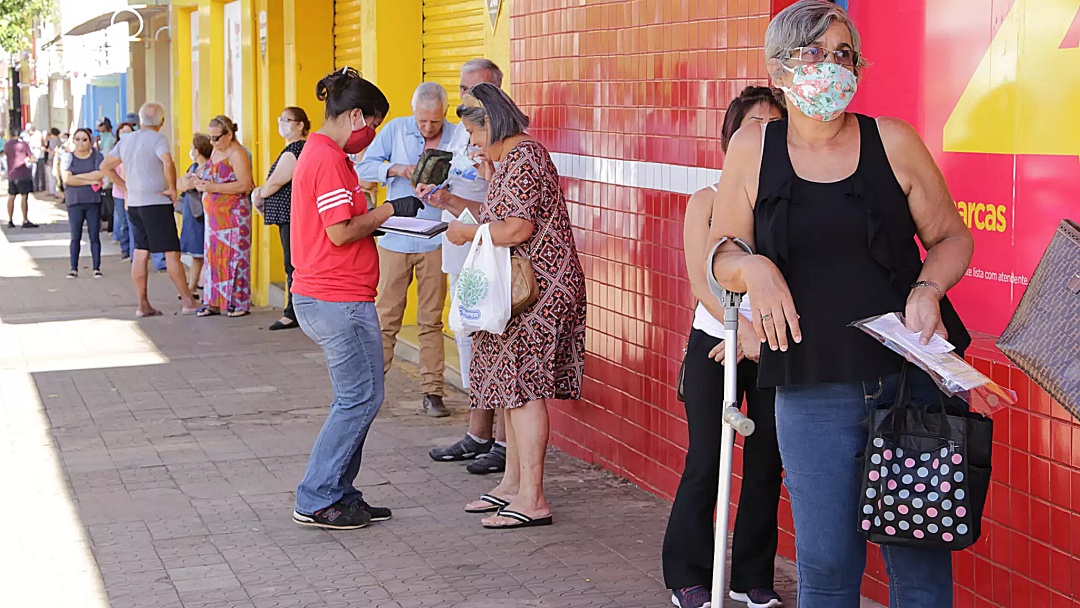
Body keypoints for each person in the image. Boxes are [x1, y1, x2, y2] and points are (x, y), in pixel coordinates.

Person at [707, 3, 974, 607]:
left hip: (910, 384)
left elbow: (953, 238)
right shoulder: (753, 146)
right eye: (813, 53)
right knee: (826, 569)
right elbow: (722, 252)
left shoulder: (893, 140)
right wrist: (752, 267)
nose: (831, 66)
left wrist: (927, 289)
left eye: (843, 54)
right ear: (779, 67)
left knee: (920, 564)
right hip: (810, 385)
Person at [663, 87, 787, 608]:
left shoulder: (789, 203)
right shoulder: (707, 201)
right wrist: (744, 334)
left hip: (775, 347)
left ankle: (752, 577)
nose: (762, 136)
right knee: (708, 460)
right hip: (719, 344)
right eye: (751, 126)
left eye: (773, 127)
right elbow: (703, 283)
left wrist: (762, 340)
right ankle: (688, 574)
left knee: (766, 464)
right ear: (730, 138)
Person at [446, 83, 587, 529]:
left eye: (472, 134)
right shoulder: (510, 160)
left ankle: (533, 497)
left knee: (523, 389)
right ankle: (511, 485)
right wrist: (488, 174)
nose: (470, 143)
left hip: (536, 292)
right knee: (509, 385)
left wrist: (464, 233)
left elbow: (515, 229)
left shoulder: (525, 157)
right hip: (518, 292)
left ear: (490, 122)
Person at [289, 67, 425, 530]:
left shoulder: (328, 155)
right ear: (353, 117)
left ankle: (340, 493)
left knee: (360, 397)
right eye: (372, 125)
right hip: (337, 298)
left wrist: (379, 213)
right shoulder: (326, 158)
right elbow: (340, 231)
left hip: (336, 295)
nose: (371, 137)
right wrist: (390, 209)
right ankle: (317, 497)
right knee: (359, 398)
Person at [421, 59, 508, 473]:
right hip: (463, 248)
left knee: (493, 340)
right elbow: (462, 190)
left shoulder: (504, 138)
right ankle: (478, 432)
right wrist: (443, 199)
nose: (464, 99)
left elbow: (505, 211)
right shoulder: (462, 132)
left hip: (492, 254)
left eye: (472, 90)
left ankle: (503, 443)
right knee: (467, 336)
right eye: (460, 89)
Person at [357, 82, 457, 418]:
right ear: (414, 112)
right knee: (386, 318)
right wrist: (396, 169)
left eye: (435, 122)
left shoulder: (457, 136)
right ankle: (373, 390)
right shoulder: (395, 129)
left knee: (430, 321)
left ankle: (433, 391)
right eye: (423, 122)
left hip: (436, 239)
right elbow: (362, 168)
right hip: (396, 239)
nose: (428, 128)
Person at [101, 101, 200, 318]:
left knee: (140, 251)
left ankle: (142, 304)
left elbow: (105, 167)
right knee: (171, 252)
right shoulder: (158, 139)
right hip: (156, 202)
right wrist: (173, 188)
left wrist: (125, 186)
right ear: (162, 122)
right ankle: (188, 300)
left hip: (135, 204)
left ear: (140, 120)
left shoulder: (127, 140)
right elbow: (167, 161)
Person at [192, 115, 255, 318]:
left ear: (229, 134)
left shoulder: (237, 154)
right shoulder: (216, 153)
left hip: (234, 215)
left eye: (216, 138)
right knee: (214, 259)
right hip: (215, 218)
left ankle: (238, 302)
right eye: (210, 138)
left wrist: (213, 187)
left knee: (235, 258)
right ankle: (214, 301)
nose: (213, 143)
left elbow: (245, 185)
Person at [252, 106, 309, 330]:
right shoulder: (295, 149)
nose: (282, 124)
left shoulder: (295, 149)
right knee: (292, 262)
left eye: (287, 120)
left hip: (291, 216)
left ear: (300, 125)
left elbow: (277, 181)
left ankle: (293, 312)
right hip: (290, 215)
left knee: (292, 263)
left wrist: (259, 194)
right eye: (280, 119)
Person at [60, 128, 106, 279]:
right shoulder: (68, 157)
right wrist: (89, 179)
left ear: (90, 141)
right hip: (75, 201)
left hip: (93, 200)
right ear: (73, 140)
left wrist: (78, 178)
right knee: (75, 236)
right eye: (78, 139)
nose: (81, 143)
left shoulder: (97, 156)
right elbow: (67, 179)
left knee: (94, 235)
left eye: (84, 139)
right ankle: (73, 268)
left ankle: (96, 267)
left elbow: (100, 173)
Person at [177, 133, 213, 297]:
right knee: (196, 252)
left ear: (197, 150)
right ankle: (192, 286)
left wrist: (187, 183)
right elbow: (181, 184)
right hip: (191, 214)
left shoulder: (208, 168)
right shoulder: (193, 168)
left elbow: (188, 184)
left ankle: (197, 286)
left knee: (201, 251)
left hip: (202, 214)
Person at [111, 122, 137, 260]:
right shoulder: (115, 152)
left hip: (134, 193)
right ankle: (125, 248)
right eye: (123, 131)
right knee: (123, 223)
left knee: (133, 224)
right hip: (120, 193)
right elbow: (109, 172)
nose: (125, 134)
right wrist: (123, 186)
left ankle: (134, 253)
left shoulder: (136, 149)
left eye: (128, 131)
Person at [4, 128, 38, 228]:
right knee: (24, 197)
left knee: (11, 196)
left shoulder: (7, 145)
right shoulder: (24, 145)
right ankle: (25, 219)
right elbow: (31, 158)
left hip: (11, 173)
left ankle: (10, 220)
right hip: (23, 173)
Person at [26, 123, 48, 192]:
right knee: (35, 172)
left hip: (39, 155)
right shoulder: (32, 136)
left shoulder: (37, 134)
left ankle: (40, 187)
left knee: (39, 172)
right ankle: (36, 187)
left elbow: (40, 144)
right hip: (35, 156)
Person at [46, 128, 62, 195]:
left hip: (52, 160)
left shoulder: (53, 141)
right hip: (55, 160)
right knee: (53, 176)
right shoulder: (58, 140)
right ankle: (53, 190)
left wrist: (48, 150)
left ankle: (53, 191)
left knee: (52, 176)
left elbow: (53, 152)